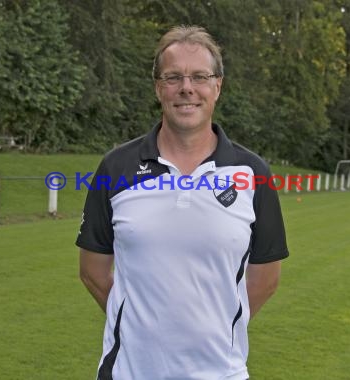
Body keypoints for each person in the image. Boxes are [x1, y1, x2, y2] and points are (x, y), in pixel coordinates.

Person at [77, 25, 289, 380]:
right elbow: (92, 272)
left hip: (222, 373)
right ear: (159, 87)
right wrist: (139, 325)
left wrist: (215, 329)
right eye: (173, 77)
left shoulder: (253, 173)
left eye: (199, 77)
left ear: (217, 86)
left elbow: (266, 278)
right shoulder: (117, 167)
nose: (186, 88)